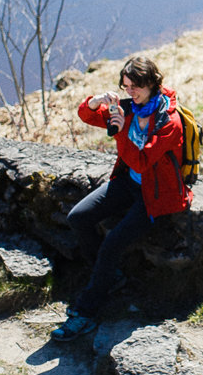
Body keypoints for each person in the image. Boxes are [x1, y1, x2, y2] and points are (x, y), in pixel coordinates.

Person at [52, 56, 192, 341]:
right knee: (78, 217)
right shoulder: (129, 107)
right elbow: (86, 115)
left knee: (111, 244)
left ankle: (85, 312)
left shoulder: (169, 122)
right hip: (128, 183)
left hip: (155, 195)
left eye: (136, 86)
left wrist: (119, 133)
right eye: (126, 86)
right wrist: (96, 101)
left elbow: (141, 161)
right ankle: (109, 278)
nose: (131, 92)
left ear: (153, 82)